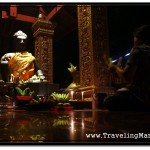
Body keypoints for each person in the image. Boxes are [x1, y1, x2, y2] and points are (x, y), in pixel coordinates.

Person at [104, 25, 150, 111]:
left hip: (142, 98)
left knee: (108, 100)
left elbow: (127, 77)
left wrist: (114, 67)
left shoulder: (138, 50)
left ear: (138, 38)